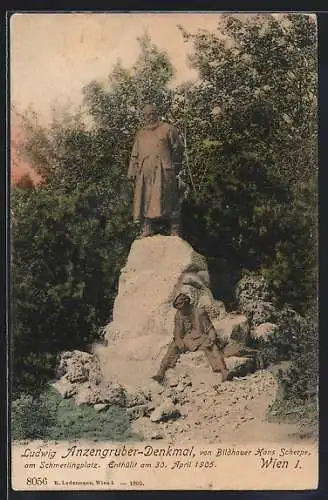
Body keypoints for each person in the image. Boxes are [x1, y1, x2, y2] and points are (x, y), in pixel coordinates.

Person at [127, 103, 185, 238]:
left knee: (169, 198)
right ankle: (147, 227)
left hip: (164, 171)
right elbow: (134, 155)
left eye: (152, 114)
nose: (150, 118)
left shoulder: (168, 129)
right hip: (145, 174)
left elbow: (178, 149)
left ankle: (175, 228)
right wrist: (132, 171)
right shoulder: (141, 134)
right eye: (146, 116)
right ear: (143, 117)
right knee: (145, 199)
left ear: (156, 114)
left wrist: (174, 166)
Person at [152, 293, 231, 384]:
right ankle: (161, 371)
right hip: (187, 340)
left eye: (181, 307)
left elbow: (210, 329)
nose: (180, 310)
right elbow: (177, 332)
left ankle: (223, 370)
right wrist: (178, 340)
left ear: (187, 304)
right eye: (178, 308)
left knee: (212, 347)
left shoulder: (200, 312)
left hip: (201, 338)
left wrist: (211, 338)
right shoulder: (179, 315)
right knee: (173, 346)